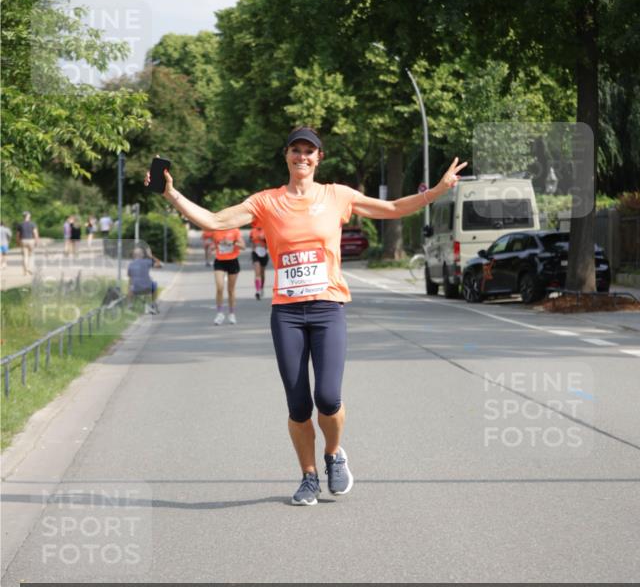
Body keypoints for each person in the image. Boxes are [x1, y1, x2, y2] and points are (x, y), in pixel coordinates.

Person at [144, 127, 466, 506]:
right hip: (287, 313)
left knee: (327, 397)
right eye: (295, 150)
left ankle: (333, 454)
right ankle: (308, 476)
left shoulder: (337, 196)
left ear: (318, 158)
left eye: (309, 151)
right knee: (298, 405)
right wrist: (170, 194)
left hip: (328, 308)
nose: (302, 157)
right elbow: (215, 221)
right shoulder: (267, 201)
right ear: (286, 156)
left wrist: (440, 189)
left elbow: (394, 208)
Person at [209, 227, 245, 325]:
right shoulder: (216, 231)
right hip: (219, 261)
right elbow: (213, 245)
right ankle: (219, 313)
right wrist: (212, 247)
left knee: (230, 289)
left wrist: (232, 243)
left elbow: (243, 246)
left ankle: (232, 313)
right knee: (219, 287)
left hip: (232, 261)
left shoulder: (235, 231)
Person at [127, 245, 161, 314]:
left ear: (134, 255)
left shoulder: (130, 264)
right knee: (155, 284)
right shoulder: (147, 262)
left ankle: (130, 305)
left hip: (135, 290)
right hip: (147, 288)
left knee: (130, 287)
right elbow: (159, 265)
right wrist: (151, 256)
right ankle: (153, 303)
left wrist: (130, 288)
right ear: (142, 255)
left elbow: (130, 278)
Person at [250, 219, 269, 299]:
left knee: (262, 273)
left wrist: (264, 239)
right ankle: (257, 290)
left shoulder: (266, 230)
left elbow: (270, 242)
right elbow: (251, 241)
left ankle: (261, 288)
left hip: (264, 253)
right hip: (255, 253)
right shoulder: (253, 231)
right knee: (257, 273)